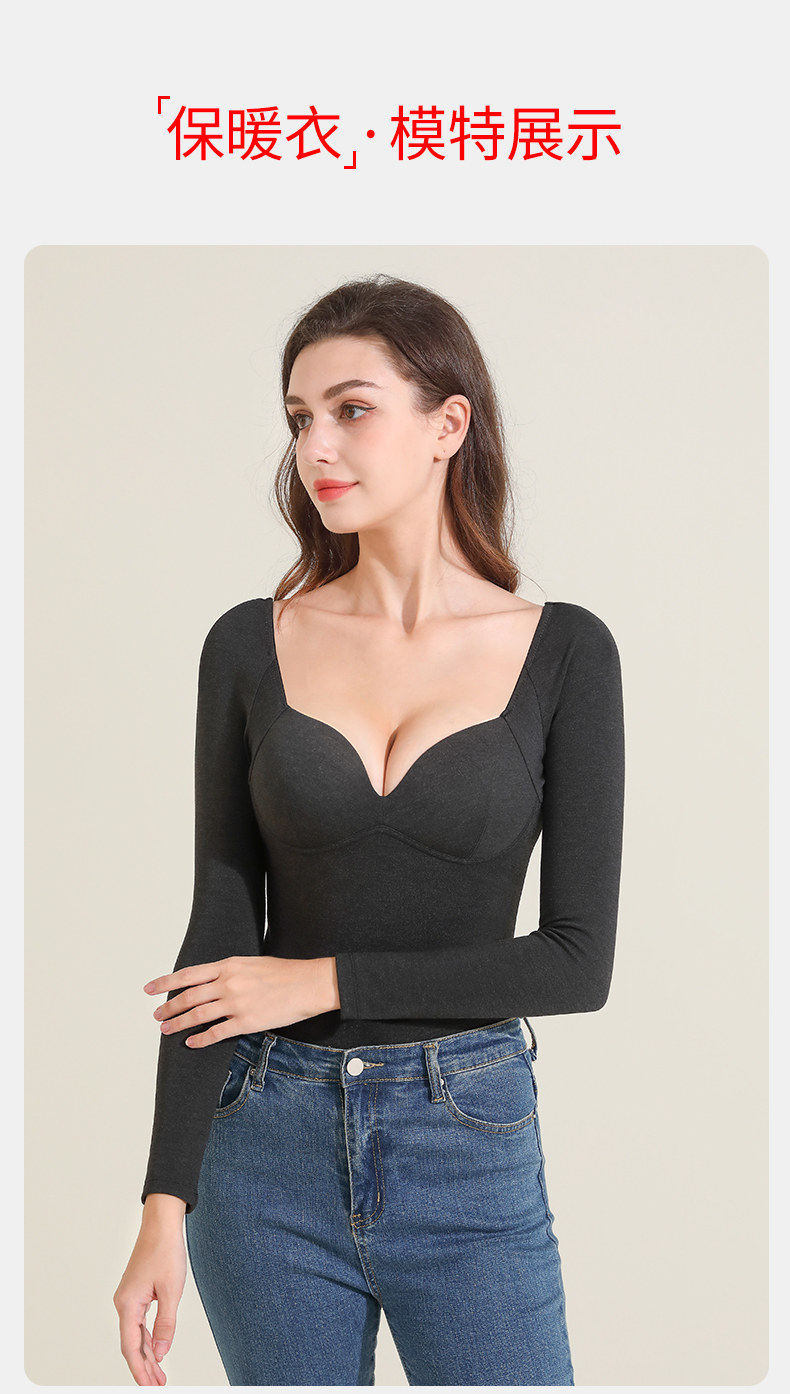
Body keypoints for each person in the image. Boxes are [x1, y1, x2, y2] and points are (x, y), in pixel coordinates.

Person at [113, 273, 625, 1386]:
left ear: (448, 424)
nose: (316, 446)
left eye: (352, 410)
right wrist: (163, 1200)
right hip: (262, 1143)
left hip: (466, 1137)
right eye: (299, 417)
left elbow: (576, 962)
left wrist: (321, 980)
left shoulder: (566, 652)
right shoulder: (248, 642)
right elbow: (217, 932)